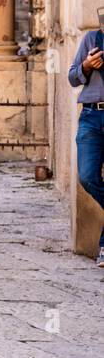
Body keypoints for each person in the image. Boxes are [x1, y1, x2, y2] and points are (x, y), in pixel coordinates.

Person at [68, 20, 104, 267]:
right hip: (92, 115)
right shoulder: (92, 39)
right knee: (88, 176)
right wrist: (87, 66)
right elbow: (72, 77)